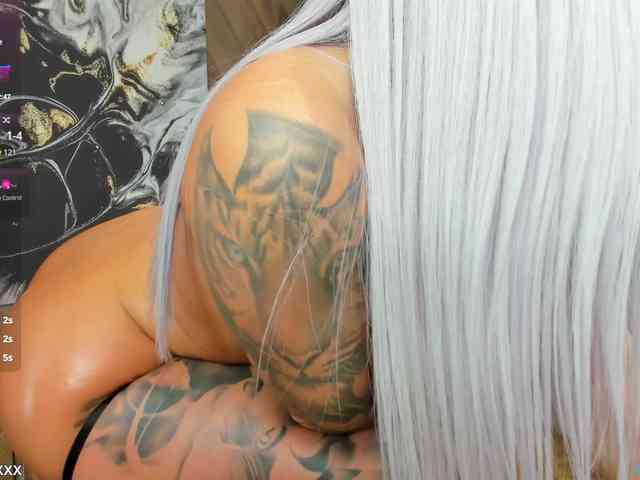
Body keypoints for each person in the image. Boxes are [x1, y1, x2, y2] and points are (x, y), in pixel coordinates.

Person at [3, 1, 640, 479]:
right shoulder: (289, 144)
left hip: (177, 311)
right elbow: (333, 408)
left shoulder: (489, 141)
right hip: (80, 384)